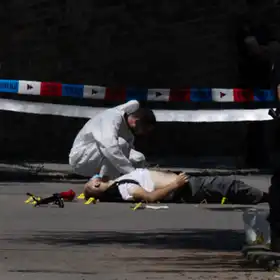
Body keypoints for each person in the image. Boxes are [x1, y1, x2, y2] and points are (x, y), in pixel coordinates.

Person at [68, 100, 156, 179]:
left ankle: (132, 185)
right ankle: (106, 186)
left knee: (139, 158)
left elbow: (127, 155)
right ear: (136, 122)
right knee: (120, 144)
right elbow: (109, 147)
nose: (144, 133)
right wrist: (132, 172)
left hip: (97, 157)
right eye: (145, 129)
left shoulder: (129, 133)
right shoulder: (112, 116)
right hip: (80, 158)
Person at [83, 168, 269, 205]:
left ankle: (264, 197)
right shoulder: (124, 188)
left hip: (187, 184)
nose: (95, 176)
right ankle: (267, 198)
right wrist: (175, 183)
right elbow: (150, 198)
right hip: (186, 187)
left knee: (225, 186)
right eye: (93, 179)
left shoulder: (118, 183)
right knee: (229, 184)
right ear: (97, 183)